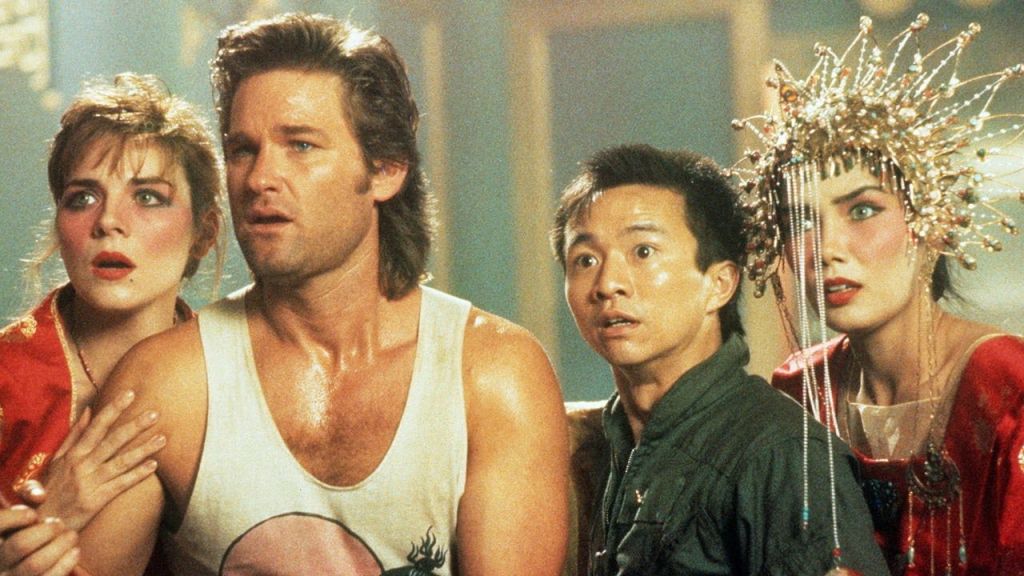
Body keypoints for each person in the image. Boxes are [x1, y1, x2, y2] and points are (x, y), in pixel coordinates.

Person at [50, 12, 569, 576]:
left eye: (299, 145)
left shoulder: (492, 376)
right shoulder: (164, 385)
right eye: (243, 150)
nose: (259, 178)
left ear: (385, 170)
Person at [731, 13, 1024, 575]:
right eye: (802, 221)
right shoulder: (799, 392)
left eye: (863, 210)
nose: (828, 249)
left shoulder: (1007, 387)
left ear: (931, 223)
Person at [550, 143, 887, 575]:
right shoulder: (604, 442)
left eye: (643, 251)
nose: (607, 284)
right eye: (585, 259)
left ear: (720, 284)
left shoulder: (781, 455)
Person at [0, 73, 224, 574]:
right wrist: (49, 517)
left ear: (204, 233)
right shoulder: (6, 381)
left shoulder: (233, 374)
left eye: (148, 197)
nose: (107, 221)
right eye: (82, 197)